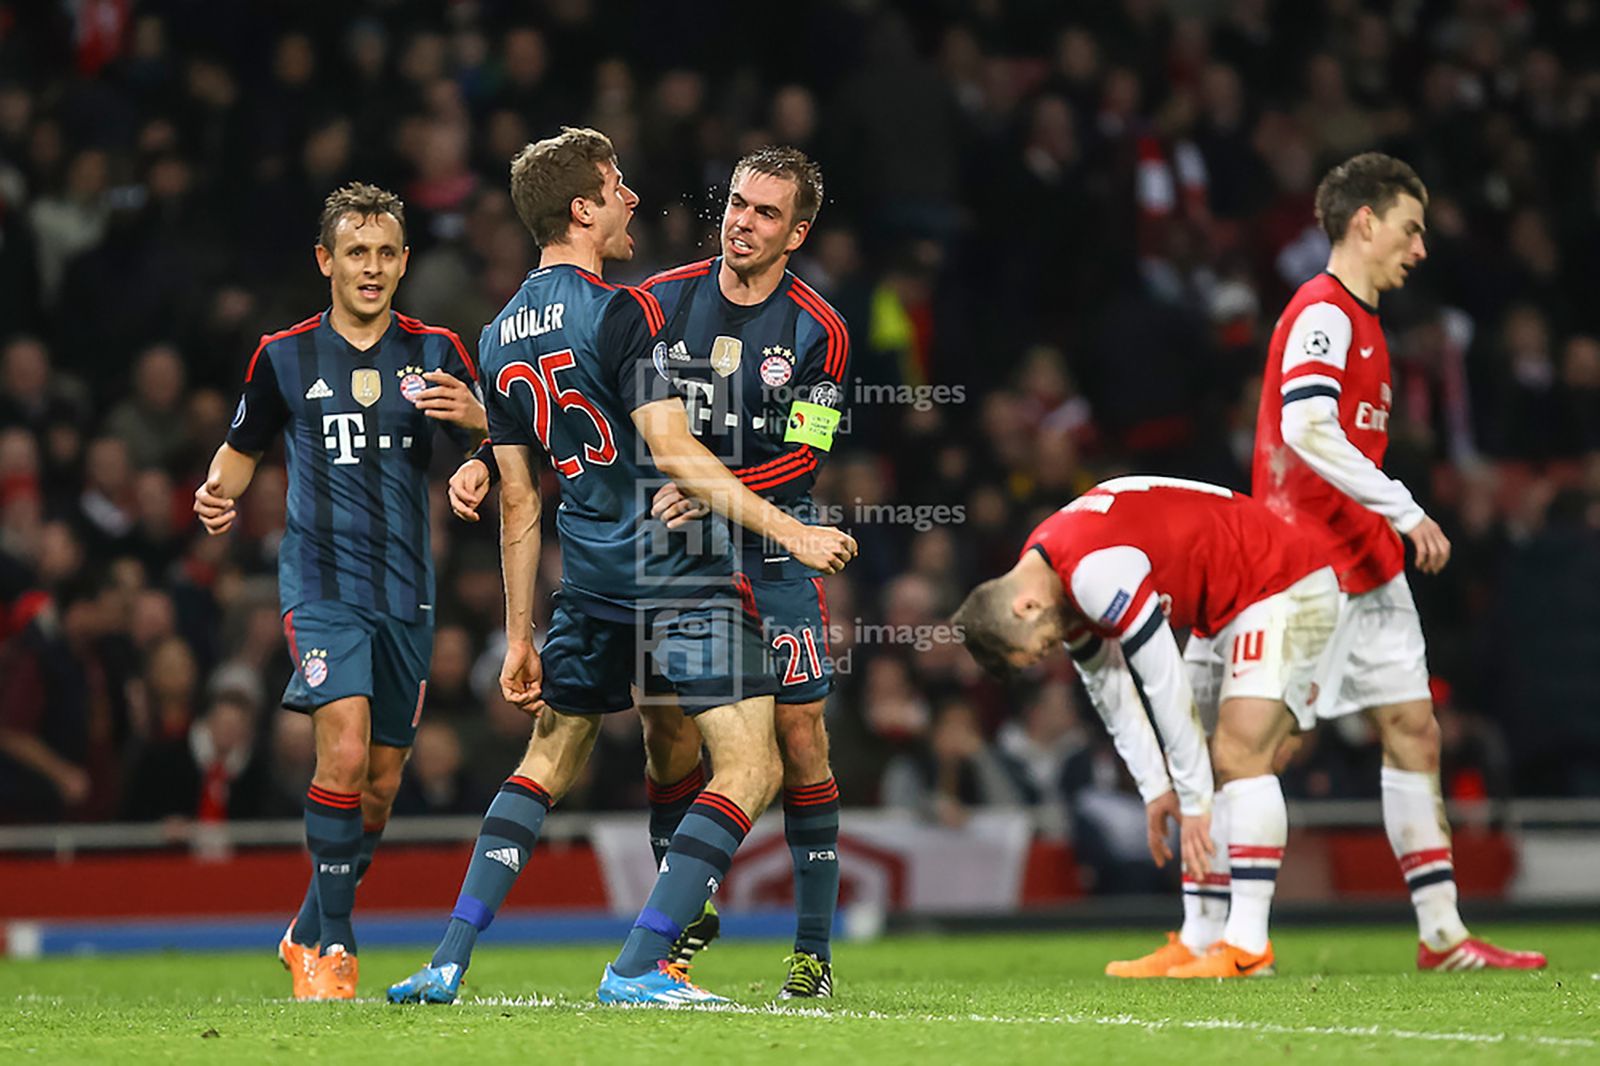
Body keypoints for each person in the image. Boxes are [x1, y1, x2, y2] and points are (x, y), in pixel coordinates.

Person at [385, 127, 856, 1008]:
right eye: (738, 205)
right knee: (734, 761)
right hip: (682, 561)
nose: (739, 223)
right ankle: (651, 951)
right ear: (583, 207)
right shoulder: (645, 302)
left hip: (605, 572)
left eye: (764, 213)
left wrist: (515, 626)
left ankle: (450, 957)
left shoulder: (497, 331)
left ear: (796, 234)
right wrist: (781, 528)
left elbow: (804, 454)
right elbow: (667, 448)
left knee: (580, 749)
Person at [192, 182, 488, 1000]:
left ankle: (305, 928)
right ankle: (336, 949)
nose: (373, 267)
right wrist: (216, 490)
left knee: (383, 782)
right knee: (346, 751)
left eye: (387, 252)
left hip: (408, 592)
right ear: (326, 261)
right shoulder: (284, 355)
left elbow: (495, 442)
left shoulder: (436, 353)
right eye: (356, 252)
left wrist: (478, 450)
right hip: (321, 585)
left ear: (404, 263)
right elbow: (239, 449)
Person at [1253, 152, 1544, 972]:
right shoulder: (1324, 311)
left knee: (1414, 729)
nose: (1421, 249)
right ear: (1365, 221)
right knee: (1263, 748)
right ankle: (1219, 934)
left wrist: (1385, 523)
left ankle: (1443, 936)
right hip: (1306, 565)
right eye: (1411, 230)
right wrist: (1406, 506)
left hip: (1367, 564)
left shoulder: (1368, 321)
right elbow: (1309, 429)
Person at [953, 476, 1343, 979]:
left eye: (1041, 648)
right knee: (1203, 760)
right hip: (1228, 604)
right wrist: (1159, 789)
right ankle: (1201, 939)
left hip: (1287, 581)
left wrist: (1195, 799)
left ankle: (1248, 948)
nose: (1050, 654)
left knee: (1237, 757)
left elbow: (1163, 680)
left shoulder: (1094, 574)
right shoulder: (1055, 579)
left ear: (1023, 607)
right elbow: (1112, 694)